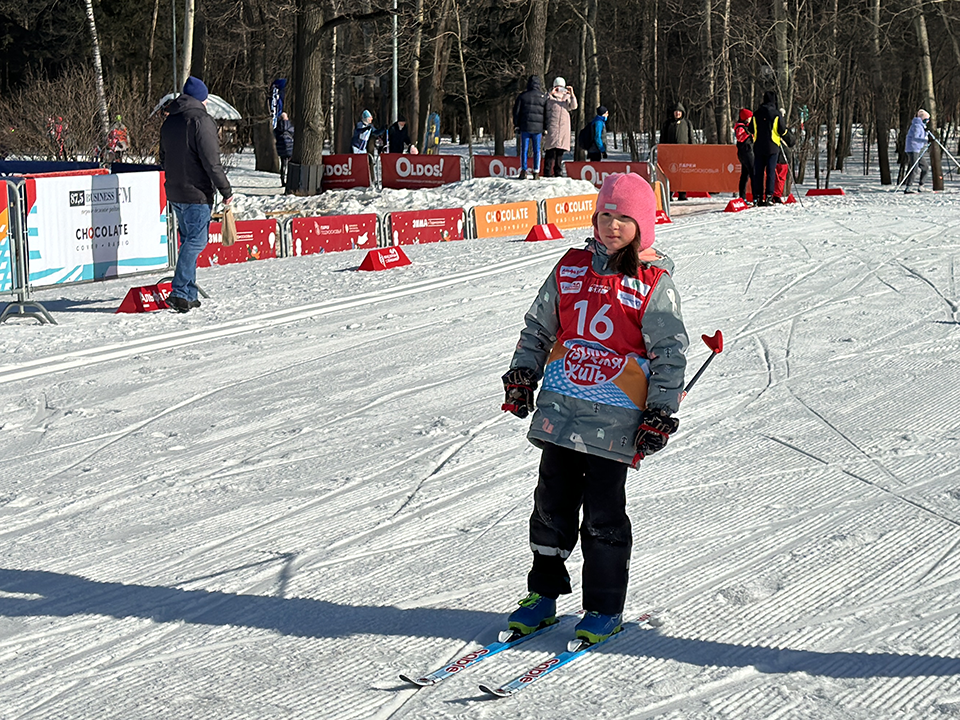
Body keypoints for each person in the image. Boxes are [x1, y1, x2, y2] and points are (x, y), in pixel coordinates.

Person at [500, 172, 688, 646]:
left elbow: (668, 351)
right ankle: (542, 597)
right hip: (560, 414)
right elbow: (538, 329)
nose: (612, 225)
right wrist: (523, 374)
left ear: (642, 224)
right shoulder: (570, 267)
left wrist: (659, 413)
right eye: (605, 214)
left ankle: (604, 606)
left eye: (624, 217)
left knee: (603, 517)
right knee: (550, 506)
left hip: (615, 421)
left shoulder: (652, 282)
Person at [159, 76, 233, 314]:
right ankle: (180, 291)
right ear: (202, 98)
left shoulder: (170, 121)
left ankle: (188, 293)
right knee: (196, 241)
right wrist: (225, 190)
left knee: (186, 240)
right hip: (197, 191)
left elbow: (163, 157)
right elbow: (212, 162)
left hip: (175, 191)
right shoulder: (202, 121)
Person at [749, 91, 785, 207]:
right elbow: (782, 130)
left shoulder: (756, 114)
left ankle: (758, 197)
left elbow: (750, 129)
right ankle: (769, 196)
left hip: (758, 146)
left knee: (758, 172)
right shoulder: (776, 113)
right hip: (773, 146)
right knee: (770, 172)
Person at [513, 75, 548, 179]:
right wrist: (545, 127)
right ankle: (536, 171)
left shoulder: (523, 96)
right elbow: (546, 114)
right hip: (538, 128)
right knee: (537, 150)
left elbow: (516, 112)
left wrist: (517, 124)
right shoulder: (543, 97)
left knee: (524, 149)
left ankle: (524, 170)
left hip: (525, 127)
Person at [542, 77, 578, 177]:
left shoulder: (567, 97)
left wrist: (572, 94)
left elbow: (574, 106)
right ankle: (547, 171)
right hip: (552, 126)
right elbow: (543, 103)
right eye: (557, 87)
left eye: (561, 87)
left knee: (560, 151)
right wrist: (551, 93)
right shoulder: (550, 98)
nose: (559, 90)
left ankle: (558, 171)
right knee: (550, 150)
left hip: (563, 128)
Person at [659, 102, 695, 200]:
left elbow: (691, 137)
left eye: (679, 112)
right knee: (670, 173)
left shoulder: (687, 123)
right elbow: (663, 138)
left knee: (682, 174)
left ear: (682, 113)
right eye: (676, 112)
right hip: (670, 153)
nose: (677, 114)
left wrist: (693, 150)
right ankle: (669, 193)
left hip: (683, 153)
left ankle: (682, 193)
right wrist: (662, 150)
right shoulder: (667, 124)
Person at [904, 109, 931, 194]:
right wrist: (926, 140)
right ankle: (908, 187)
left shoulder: (921, 126)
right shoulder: (917, 126)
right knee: (914, 168)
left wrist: (926, 135)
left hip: (918, 149)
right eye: (927, 120)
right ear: (923, 119)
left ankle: (921, 186)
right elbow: (915, 138)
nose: (928, 121)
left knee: (925, 167)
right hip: (913, 149)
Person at [772, 110, 796, 203]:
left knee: (779, 177)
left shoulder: (784, 130)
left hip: (782, 156)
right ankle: (775, 195)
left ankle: (776, 195)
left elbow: (791, 141)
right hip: (778, 155)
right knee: (778, 178)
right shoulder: (782, 130)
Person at [733, 109, 754, 201]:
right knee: (752, 173)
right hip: (746, 152)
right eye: (749, 118)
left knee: (745, 174)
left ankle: (743, 196)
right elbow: (740, 138)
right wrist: (749, 134)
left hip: (747, 152)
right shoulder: (740, 128)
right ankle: (754, 196)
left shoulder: (746, 126)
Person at [273, 111, 294, 186]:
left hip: (281, 148)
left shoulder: (277, 127)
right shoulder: (290, 127)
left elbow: (274, 134)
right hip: (290, 148)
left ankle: (282, 180)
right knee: (290, 164)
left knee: (283, 164)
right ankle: (289, 180)